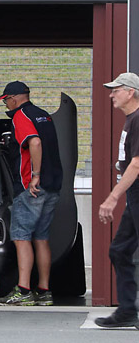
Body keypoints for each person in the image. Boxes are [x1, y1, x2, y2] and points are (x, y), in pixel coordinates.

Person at [0, 81, 63, 307]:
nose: (6, 104)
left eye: (6, 100)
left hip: (30, 187)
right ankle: (44, 291)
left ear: (13, 98)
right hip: (53, 186)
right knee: (41, 238)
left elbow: (35, 142)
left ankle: (23, 290)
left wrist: (35, 175)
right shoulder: (43, 115)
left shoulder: (20, 116)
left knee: (21, 238)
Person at [95, 73, 139, 329]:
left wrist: (112, 198)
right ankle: (127, 311)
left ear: (131, 92)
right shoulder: (131, 119)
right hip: (134, 195)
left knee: (121, 250)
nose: (111, 94)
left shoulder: (138, 119)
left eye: (116, 90)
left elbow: (137, 164)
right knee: (120, 250)